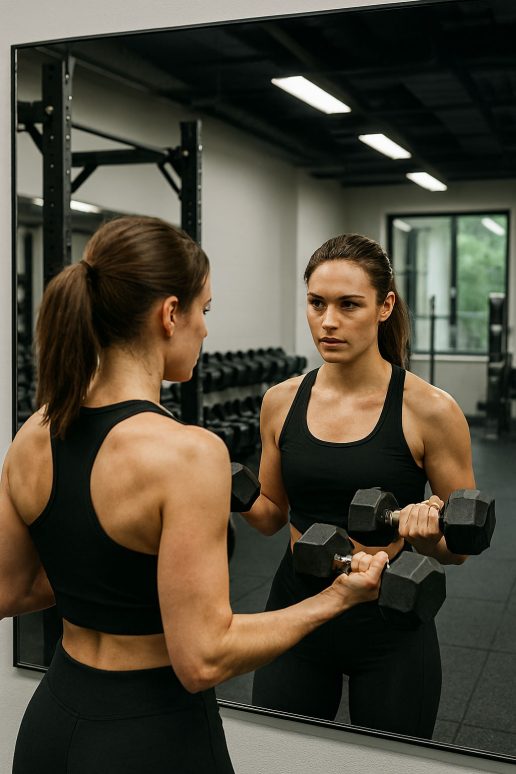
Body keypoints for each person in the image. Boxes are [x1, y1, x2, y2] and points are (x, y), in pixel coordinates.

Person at [1, 216, 389, 774]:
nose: (206, 330)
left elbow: (10, 590)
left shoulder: (36, 430)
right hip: (148, 734)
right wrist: (337, 598)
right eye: (204, 310)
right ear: (169, 314)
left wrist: (102, 582)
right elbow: (204, 658)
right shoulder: (187, 452)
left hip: (52, 722)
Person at [245, 233, 476, 739]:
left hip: (391, 614)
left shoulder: (431, 409)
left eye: (349, 305)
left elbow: (458, 549)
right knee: (279, 757)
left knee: (394, 763)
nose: (328, 321)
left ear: (384, 306)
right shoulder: (280, 401)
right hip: (299, 605)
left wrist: (421, 533)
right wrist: (225, 488)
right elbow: (268, 516)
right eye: (317, 303)